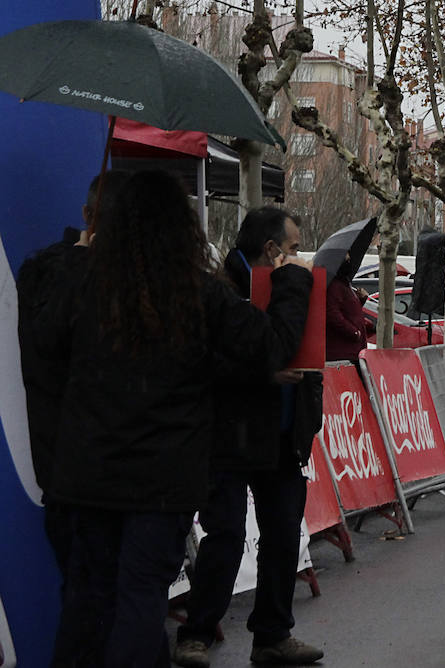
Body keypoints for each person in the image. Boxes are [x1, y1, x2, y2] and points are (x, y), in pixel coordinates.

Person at [28, 171, 313, 667]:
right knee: (140, 599)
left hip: (86, 477)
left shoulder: (78, 280)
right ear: (179, 228)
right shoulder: (196, 292)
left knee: (87, 599)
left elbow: (45, 343)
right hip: (161, 483)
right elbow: (270, 344)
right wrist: (290, 278)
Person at [175, 207, 326, 668]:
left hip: (281, 435)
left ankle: (272, 634)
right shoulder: (221, 293)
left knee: (282, 534)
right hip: (230, 434)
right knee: (226, 535)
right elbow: (201, 364)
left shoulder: (288, 289)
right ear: (271, 249)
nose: (298, 256)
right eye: (295, 246)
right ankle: (196, 632)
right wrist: (261, 373)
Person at [17, 170, 130, 581]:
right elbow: (48, 342)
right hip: (73, 472)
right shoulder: (50, 272)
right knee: (89, 597)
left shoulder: (134, 280)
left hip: (115, 473)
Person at [325, 248, 367, 362]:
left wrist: (361, 300)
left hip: (353, 350)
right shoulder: (334, 286)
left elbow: (350, 311)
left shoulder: (345, 284)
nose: (349, 262)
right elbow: (332, 315)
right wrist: (354, 332)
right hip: (343, 353)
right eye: (346, 260)